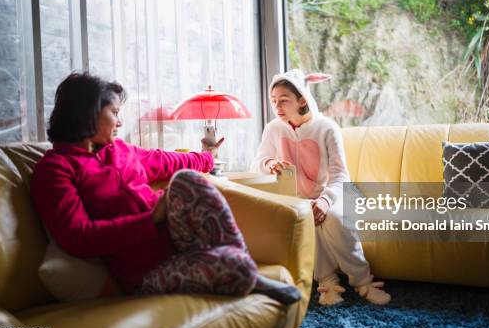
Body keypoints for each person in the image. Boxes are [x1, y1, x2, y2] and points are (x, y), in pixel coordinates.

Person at [30, 72, 300, 305]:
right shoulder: (55, 169)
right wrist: (150, 219)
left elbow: (166, 160)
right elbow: (78, 236)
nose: (120, 123)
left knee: (185, 179)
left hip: (177, 238)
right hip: (144, 271)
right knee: (234, 267)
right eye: (114, 113)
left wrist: (207, 157)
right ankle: (243, 270)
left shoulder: (119, 150)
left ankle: (241, 266)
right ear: (88, 114)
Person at [251, 69, 391, 305]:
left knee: (335, 220)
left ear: (302, 100)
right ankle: (327, 283)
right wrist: (270, 164)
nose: (278, 107)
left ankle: (363, 282)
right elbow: (256, 164)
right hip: (300, 199)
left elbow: (341, 175)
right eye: (274, 101)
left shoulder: (327, 128)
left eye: (284, 100)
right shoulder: (273, 129)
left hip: (337, 194)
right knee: (305, 219)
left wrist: (325, 201)